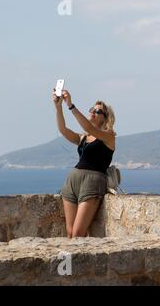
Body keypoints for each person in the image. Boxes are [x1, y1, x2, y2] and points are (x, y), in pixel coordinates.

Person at [52, 89, 116, 238]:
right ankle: (72, 262)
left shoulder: (109, 137)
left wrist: (71, 106)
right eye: (92, 109)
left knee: (78, 233)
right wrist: (58, 107)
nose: (93, 112)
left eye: (98, 111)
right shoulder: (83, 138)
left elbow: (89, 127)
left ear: (105, 118)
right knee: (70, 232)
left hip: (92, 182)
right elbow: (63, 129)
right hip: (72, 181)